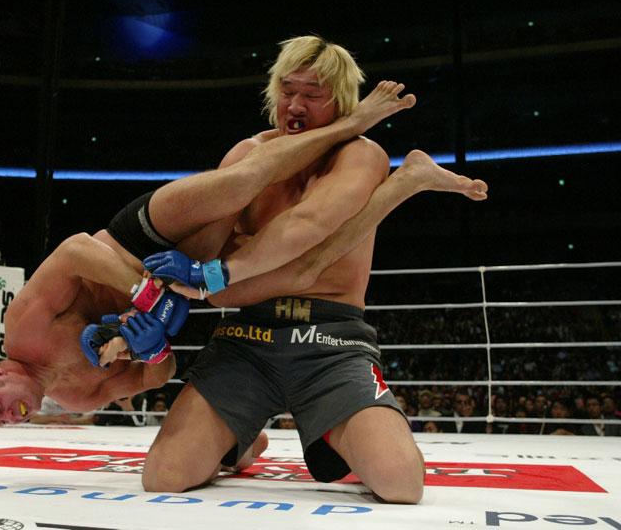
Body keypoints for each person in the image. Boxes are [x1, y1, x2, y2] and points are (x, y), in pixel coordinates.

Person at [0, 74, 427, 429]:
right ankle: (404, 186)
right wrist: (153, 347)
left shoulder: (24, 329)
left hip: (142, 242)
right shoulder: (78, 398)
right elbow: (157, 376)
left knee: (240, 183)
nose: (9, 418)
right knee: (303, 268)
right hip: (182, 284)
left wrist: (143, 295)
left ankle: (351, 124)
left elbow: (76, 250)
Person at [141, 35, 487, 504]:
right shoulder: (247, 156)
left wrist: (221, 274)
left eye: (313, 94)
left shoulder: (361, 155)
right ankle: (241, 444)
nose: (295, 105)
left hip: (332, 342)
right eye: (287, 91)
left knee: (400, 482)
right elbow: (206, 257)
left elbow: (306, 225)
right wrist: (210, 279)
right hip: (248, 338)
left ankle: (329, 437)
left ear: (341, 102)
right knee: (163, 476)